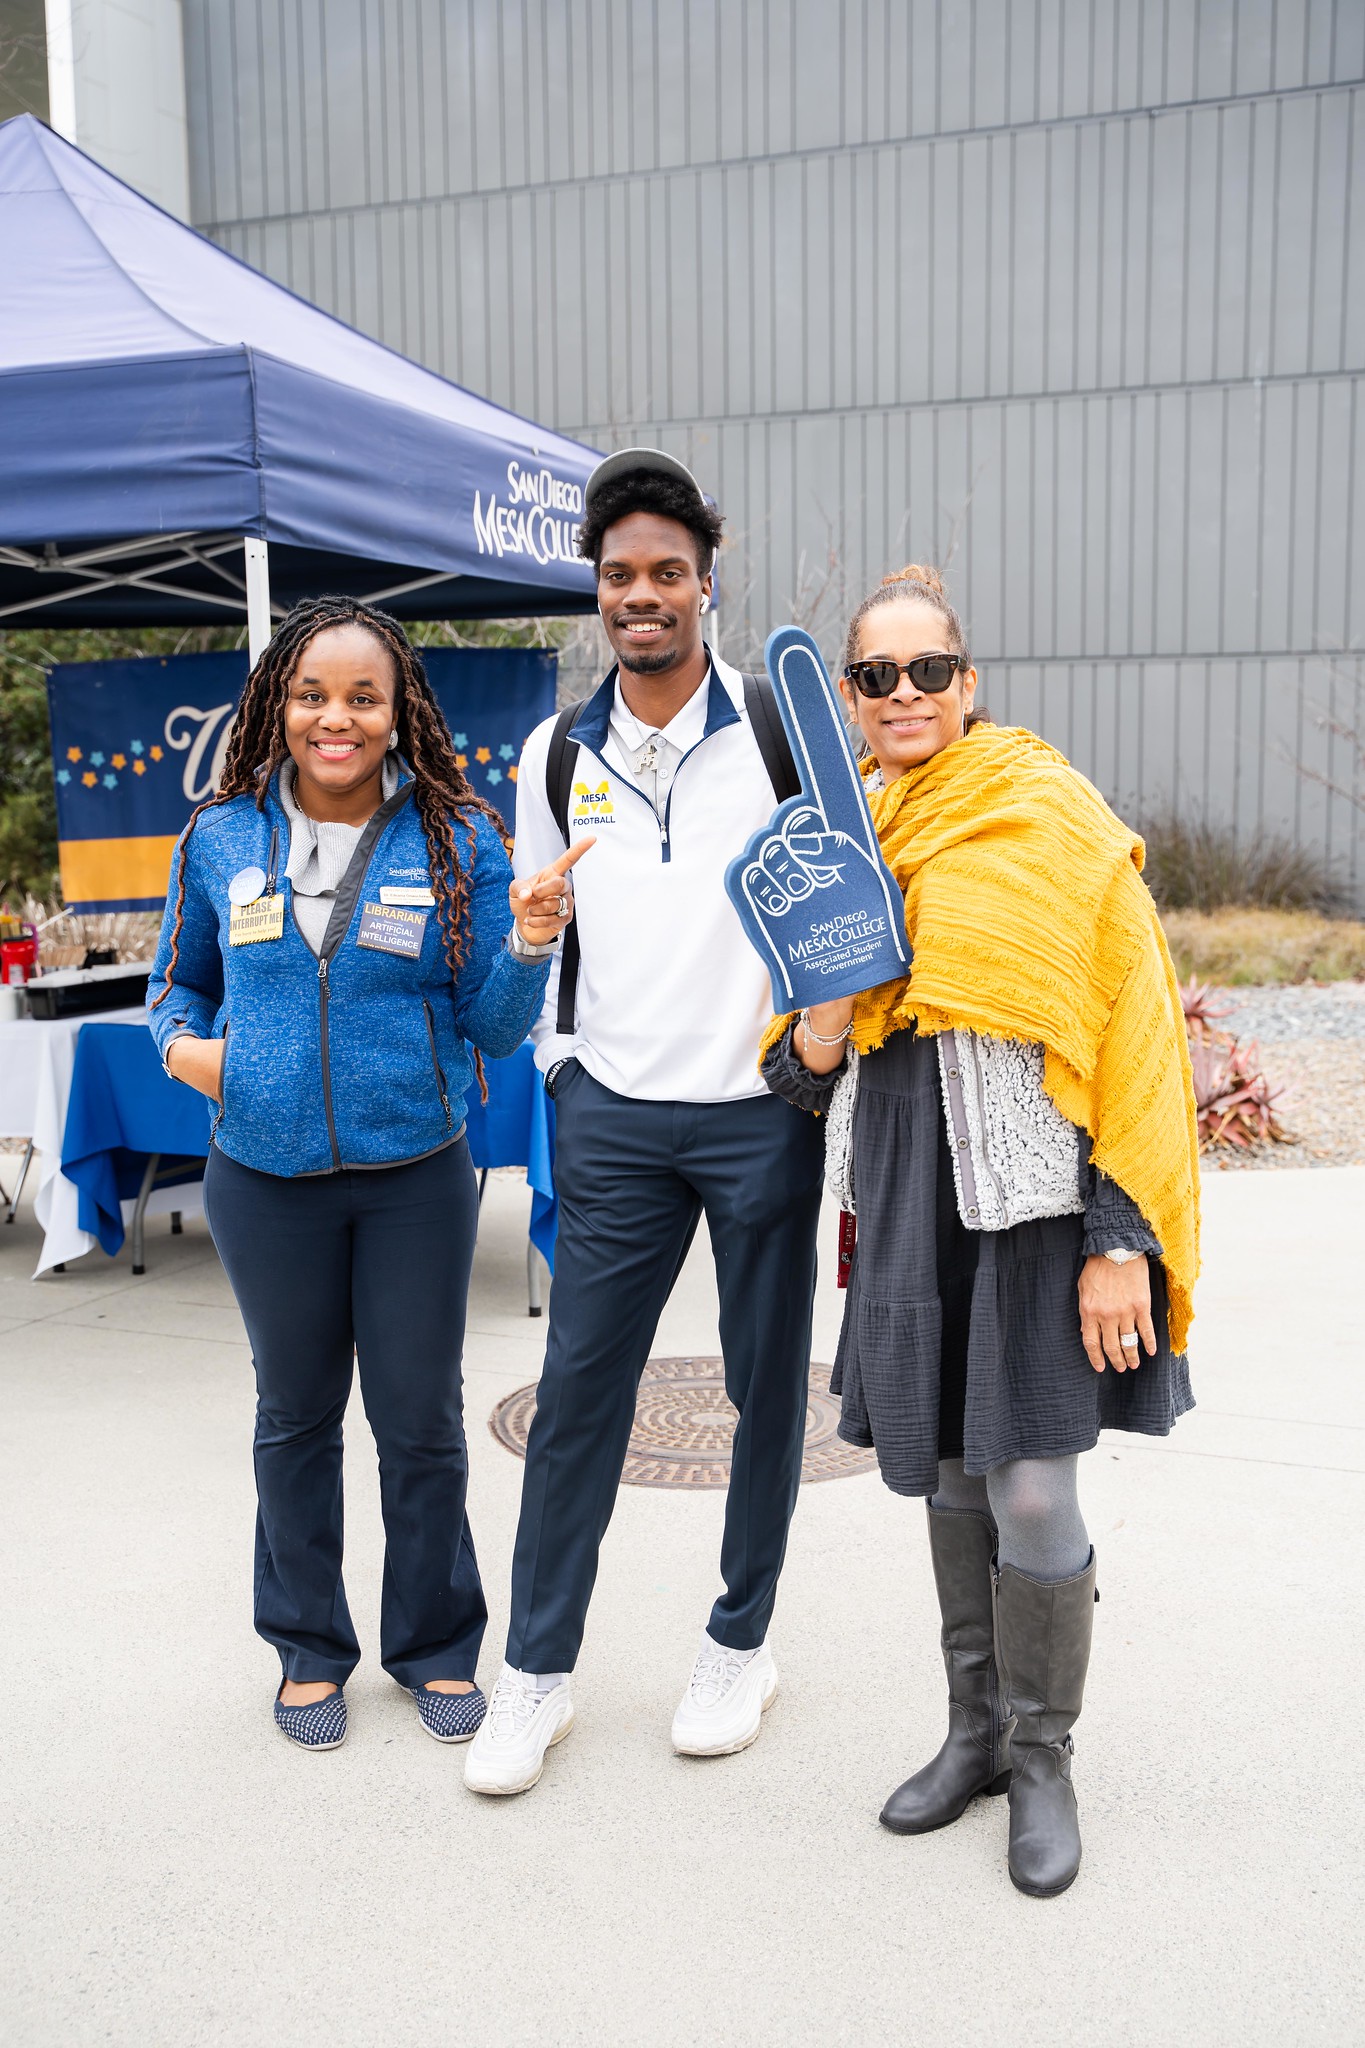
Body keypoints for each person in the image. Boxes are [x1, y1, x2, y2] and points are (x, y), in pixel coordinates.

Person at [761, 564, 1200, 1896]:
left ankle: (1043, 1753)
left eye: (928, 672)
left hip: (1030, 1215)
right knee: (949, 1473)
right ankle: (972, 1735)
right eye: (877, 677)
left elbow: (1132, 1023)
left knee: (1030, 1480)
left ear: (970, 682)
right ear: (847, 695)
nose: (905, 696)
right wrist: (824, 1008)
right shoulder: (834, 844)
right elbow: (797, 1073)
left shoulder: (1048, 814)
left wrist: (1117, 1237)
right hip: (900, 1196)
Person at [146, 596, 584, 1751]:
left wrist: (530, 941)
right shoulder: (221, 837)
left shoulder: (461, 839)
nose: (334, 717)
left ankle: (436, 1644)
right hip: (261, 1172)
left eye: (362, 697)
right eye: (311, 695)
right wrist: (196, 1055)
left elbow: (493, 1029)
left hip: (413, 1178)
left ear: (399, 715)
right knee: (292, 1418)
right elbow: (173, 989)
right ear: (278, 706)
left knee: (420, 1420)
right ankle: (306, 1645)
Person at [463, 449, 826, 1797]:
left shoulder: (781, 730)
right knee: (575, 1405)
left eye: (666, 573)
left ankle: (740, 1642)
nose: (642, 595)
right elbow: (539, 927)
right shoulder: (555, 752)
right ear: (597, 592)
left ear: (705, 585)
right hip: (612, 1115)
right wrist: (563, 1073)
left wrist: (813, 1063)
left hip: (759, 1117)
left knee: (762, 1391)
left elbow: (845, 908)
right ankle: (536, 1674)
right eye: (619, 575)